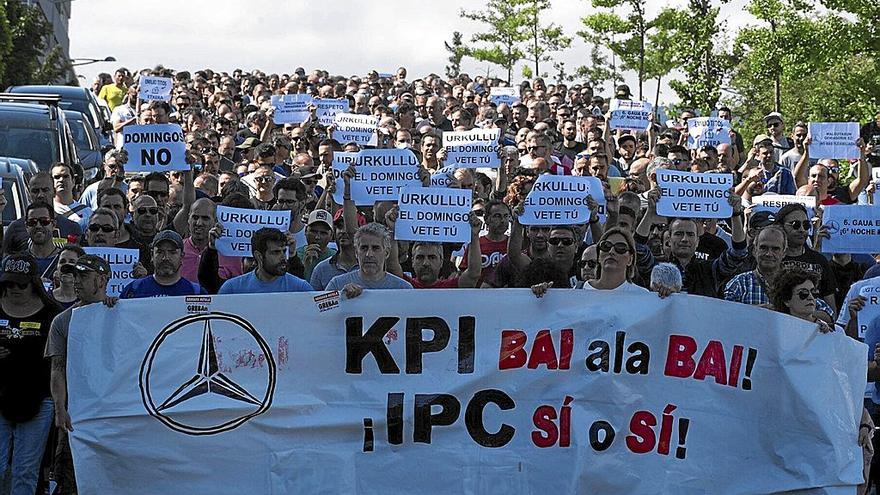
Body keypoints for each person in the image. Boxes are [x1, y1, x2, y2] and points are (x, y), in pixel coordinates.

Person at [45, 254, 113, 494]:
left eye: (84, 275)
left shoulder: (120, 314)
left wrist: (118, 312)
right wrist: (60, 409)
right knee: (68, 479)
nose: (77, 281)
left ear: (102, 280)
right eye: (75, 275)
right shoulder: (62, 321)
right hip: (78, 414)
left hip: (112, 413)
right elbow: (57, 368)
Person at [0, 255, 62, 495]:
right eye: (8, 284)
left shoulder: (51, 312)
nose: (14, 289)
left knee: (25, 469)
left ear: (33, 283)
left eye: (21, 284)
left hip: (38, 398)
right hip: (2, 393)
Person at [325, 223, 413, 297]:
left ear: (386, 253)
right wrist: (339, 297)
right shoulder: (337, 284)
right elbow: (320, 313)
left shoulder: (403, 289)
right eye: (364, 248)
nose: (369, 254)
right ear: (356, 252)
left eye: (375, 248)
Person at [3, 173, 82, 254]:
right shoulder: (15, 228)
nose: (40, 195)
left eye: (45, 190)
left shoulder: (72, 228)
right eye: (35, 191)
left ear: (54, 192)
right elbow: (5, 261)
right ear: (29, 194)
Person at [219, 228, 313, 294]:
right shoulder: (232, 289)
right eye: (275, 252)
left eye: (284, 251)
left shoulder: (300, 288)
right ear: (259, 256)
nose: (283, 257)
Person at [119, 230, 208, 298]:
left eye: (172, 252)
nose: (166, 257)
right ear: (152, 255)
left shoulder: (196, 293)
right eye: (160, 252)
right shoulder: (133, 290)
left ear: (182, 256)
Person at [769, 268, 833, 332]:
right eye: (803, 293)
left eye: (814, 292)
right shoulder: (775, 330)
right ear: (786, 300)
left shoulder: (831, 330)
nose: (811, 297)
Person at [23, 201, 61, 279]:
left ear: (53, 224)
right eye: (32, 222)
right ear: (26, 226)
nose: (38, 226)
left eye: (44, 221)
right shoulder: (20, 261)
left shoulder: (64, 260)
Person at [297, 209, 336, 282]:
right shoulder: (295, 256)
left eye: (323, 233)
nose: (317, 237)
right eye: (313, 231)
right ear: (305, 231)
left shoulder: (335, 258)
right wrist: (304, 266)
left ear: (331, 235)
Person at [52, 162, 92, 229]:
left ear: (73, 181)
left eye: (65, 176)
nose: (61, 180)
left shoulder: (87, 212)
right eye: (57, 177)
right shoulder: (47, 210)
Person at [51, 245, 85, 309]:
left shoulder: (87, 300)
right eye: (62, 261)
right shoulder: (46, 298)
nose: (66, 265)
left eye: (72, 262)